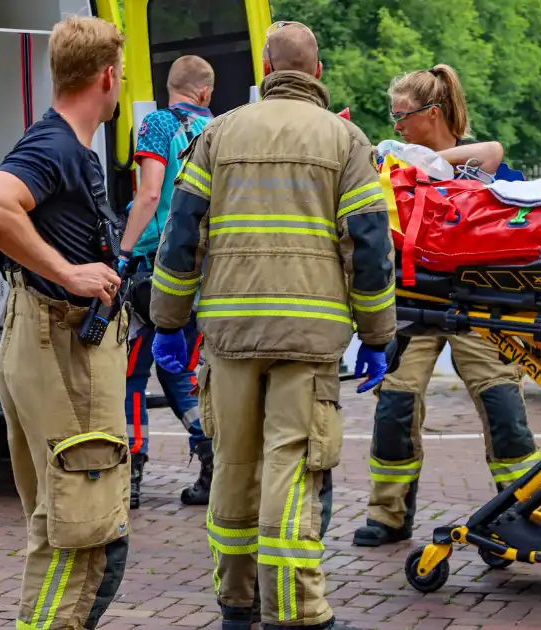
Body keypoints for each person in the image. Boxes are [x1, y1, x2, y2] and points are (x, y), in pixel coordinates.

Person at [149, 21, 394, 630]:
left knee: (234, 464)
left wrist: (168, 321)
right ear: (317, 73)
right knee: (292, 463)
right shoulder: (346, 140)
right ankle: (296, 610)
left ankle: (237, 604)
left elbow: (182, 233)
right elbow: (370, 244)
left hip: (229, 333)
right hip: (309, 338)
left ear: (265, 69)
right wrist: (377, 334)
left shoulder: (219, 133)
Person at [0, 16, 129, 629]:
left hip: (43, 345)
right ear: (108, 77)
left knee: (63, 519)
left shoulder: (58, 142)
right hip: (63, 352)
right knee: (85, 536)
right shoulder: (57, 146)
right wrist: (69, 273)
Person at [351, 64, 541, 548]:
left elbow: (493, 153)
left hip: (476, 306)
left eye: (402, 116)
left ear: (432, 113)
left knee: (502, 406)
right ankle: (388, 514)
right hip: (413, 307)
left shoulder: (475, 164)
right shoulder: (391, 169)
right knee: (395, 406)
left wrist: (423, 161)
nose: (396, 126)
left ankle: (519, 513)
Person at [119, 54, 215, 509]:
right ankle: (211, 456)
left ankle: (131, 473)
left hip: (154, 269)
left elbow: (151, 192)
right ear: (205, 93)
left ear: (170, 87)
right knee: (179, 371)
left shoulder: (159, 123)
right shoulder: (219, 129)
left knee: (132, 374)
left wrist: (122, 252)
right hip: (203, 272)